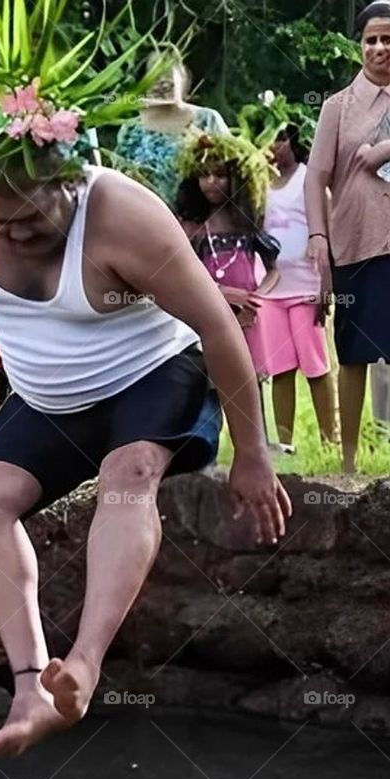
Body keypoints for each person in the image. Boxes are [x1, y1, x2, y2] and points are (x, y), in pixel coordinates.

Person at [0, 48, 290, 760]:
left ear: (71, 186)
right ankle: (29, 685)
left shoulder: (126, 218)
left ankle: (86, 664)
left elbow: (220, 329)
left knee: (129, 475)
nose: (15, 233)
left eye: (33, 222)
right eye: (2, 220)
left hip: (153, 372)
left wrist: (251, 453)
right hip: (50, 395)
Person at [306, 0, 390, 472]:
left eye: (388, 39)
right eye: (371, 40)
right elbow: (315, 176)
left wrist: (385, 149)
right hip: (355, 244)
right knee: (354, 353)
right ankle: (349, 462)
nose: (379, 48)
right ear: (360, 46)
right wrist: (318, 236)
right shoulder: (337, 107)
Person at [176, 132, 279, 440]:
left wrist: (257, 297)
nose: (211, 182)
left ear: (237, 179)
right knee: (210, 376)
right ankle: (204, 440)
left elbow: (274, 271)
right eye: (204, 175)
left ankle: (257, 442)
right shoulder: (192, 228)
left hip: (246, 316)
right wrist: (221, 294)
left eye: (220, 175)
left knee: (249, 376)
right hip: (208, 313)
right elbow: (183, 275)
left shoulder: (247, 224)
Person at [255, 124, 335, 450]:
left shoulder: (309, 180)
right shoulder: (259, 185)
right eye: (268, 139)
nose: (274, 145)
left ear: (293, 141)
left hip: (306, 288)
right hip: (270, 291)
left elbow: (327, 233)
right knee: (281, 369)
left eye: (280, 138)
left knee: (315, 367)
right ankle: (285, 444)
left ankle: (330, 440)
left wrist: (327, 284)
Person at [115, 52, 229, 209]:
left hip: (195, 219)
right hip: (138, 215)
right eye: (154, 75)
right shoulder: (131, 129)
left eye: (168, 74)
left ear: (183, 80)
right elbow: (118, 181)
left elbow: (231, 174)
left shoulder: (207, 119)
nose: (162, 82)